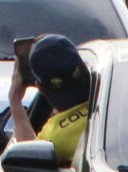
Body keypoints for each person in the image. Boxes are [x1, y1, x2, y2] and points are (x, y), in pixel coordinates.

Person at [7, 35, 90, 168]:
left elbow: (29, 160)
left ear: (39, 88)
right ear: (85, 68)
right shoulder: (116, 107)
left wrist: (15, 98)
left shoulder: (56, 137)